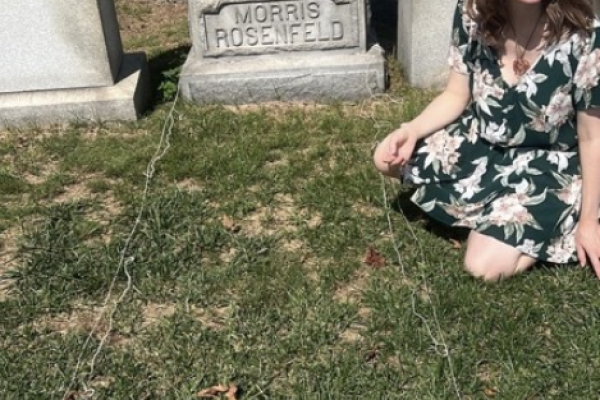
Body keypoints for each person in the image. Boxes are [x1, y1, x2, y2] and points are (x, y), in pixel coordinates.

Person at [373, 0, 600, 281]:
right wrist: (412, 130)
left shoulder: (585, 36)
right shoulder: (473, 14)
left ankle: (558, 217)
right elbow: (456, 95)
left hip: (546, 164)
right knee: (386, 158)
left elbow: (592, 137)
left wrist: (589, 220)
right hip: (481, 143)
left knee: (483, 267)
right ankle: (495, 212)